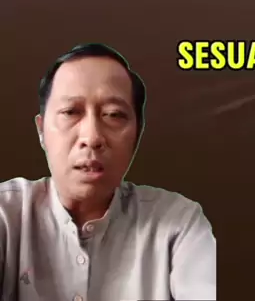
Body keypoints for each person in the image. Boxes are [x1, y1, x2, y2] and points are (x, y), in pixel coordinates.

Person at [0, 42, 216, 300]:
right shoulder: (6, 214)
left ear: (137, 134)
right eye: (70, 112)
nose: (92, 137)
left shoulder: (179, 224)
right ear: (41, 130)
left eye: (113, 115)